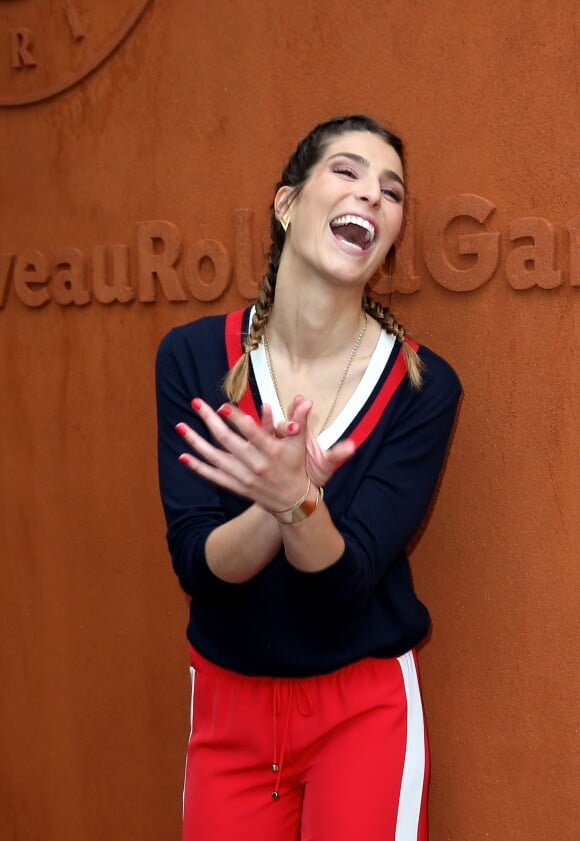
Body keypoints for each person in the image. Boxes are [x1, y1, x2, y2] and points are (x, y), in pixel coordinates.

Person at [155, 114, 462, 841]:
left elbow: (343, 584)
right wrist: (284, 501)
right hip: (229, 709)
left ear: (387, 239)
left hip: (360, 706)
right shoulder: (194, 356)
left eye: (392, 191)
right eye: (348, 172)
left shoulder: (423, 385)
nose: (373, 195)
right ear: (287, 204)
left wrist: (296, 501)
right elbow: (198, 565)